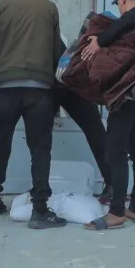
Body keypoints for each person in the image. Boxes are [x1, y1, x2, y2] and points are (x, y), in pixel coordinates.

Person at [0, 0, 66, 229]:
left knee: (1, 141)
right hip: (39, 88)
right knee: (40, 147)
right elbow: (57, 51)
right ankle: (39, 209)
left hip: (5, 87)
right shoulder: (49, 8)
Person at [81, 0, 135, 231]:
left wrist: (98, 42)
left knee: (115, 151)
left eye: (119, 4)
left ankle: (116, 213)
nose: (120, 9)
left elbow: (120, 26)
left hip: (127, 95)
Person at [56, 12, 113, 200]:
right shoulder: (98, 46)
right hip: (71, 87)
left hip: (59, 85)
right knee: (96, 132)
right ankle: (112, 183)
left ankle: (112, 183)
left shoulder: (75, 45)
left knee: (40, 138)